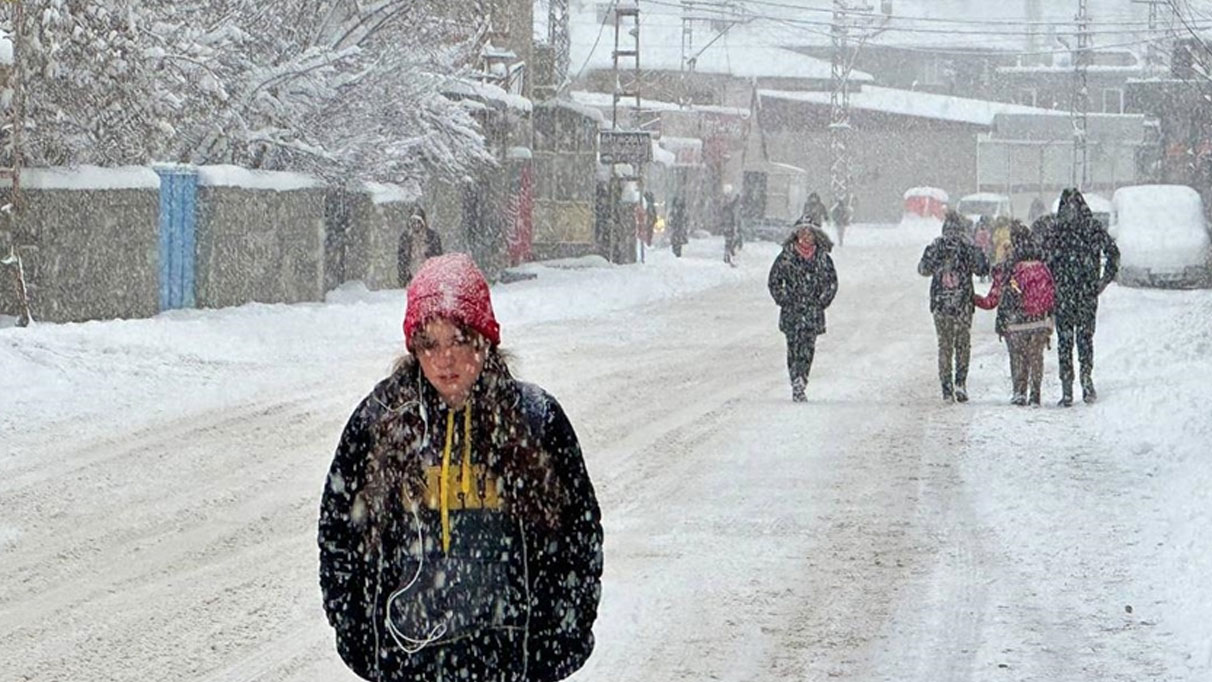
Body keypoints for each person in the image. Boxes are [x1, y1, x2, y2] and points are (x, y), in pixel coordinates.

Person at [319, 253, 603, 682]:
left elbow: (578, 533)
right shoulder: (380, 421)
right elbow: (340, 531)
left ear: (484, 338)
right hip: (409, 663)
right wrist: (359, 635)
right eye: (429, 344)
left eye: (459, 339)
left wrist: (564, 632)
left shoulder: (534, 419)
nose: (445, 359)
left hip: (511, 662)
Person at [1048, 188, 1120, 406]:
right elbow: (1113, 253)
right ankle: (1086, 381)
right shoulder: (1092, 227)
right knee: (1085, 339)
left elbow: (1046, 261)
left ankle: (1067, 388)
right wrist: (1103, 280)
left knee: (1065, 341)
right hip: (1086, 293)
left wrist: (1051, 285)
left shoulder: (1057, 230)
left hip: (1063, 294)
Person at [974, 222, 1056, 406]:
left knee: (1018, 356)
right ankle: (1035, 393)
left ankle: (1019, 392)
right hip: (1040, 320)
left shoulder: (1007, 267)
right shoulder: (1043, 265)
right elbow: (1052, 294)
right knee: (1036, 357)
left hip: (1015, 321)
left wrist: (973, 299)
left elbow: (992, 300)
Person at [918, 210, 990, 403]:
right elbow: (983, 268)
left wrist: (936, 259)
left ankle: (947, 388)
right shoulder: (967, 247)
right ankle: (960, 383)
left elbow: (923, 269)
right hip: (963, 304)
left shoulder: (936, 246)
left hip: (941, 304)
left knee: (945, 346)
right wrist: (976, 252)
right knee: (962, 345)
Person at [767, 218, 838, 402]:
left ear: (816, 235)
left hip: (813, 311)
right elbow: (774, 281)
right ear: (796, 234)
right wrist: (784, 299)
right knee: (793, 347)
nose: (806, 236)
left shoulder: (822, 258)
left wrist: (822, 300)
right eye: (802, 232)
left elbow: (831, 283)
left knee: (808, 347)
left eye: (809, 233)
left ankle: (803, 377)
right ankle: (795, 380)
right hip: (792, 311)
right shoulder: (786, 256)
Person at [397, 207, 444, 287]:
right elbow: (401, 260)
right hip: (411, 277)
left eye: (418, 222)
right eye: (413, 222)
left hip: (429, 277)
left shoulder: (432, 237)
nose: (416, 225)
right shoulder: (405, 238)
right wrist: (403, 277)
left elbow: (438, 258)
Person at [721, 187, 741, 266]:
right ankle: (728, 256)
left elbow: (730, 206)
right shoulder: (726, 208)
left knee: (729, 242)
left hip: (729, 225)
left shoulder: (726, 208)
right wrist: (736, 199)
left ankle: (728, 256)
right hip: (728, 226)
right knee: (730, 242)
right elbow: (730, 206)